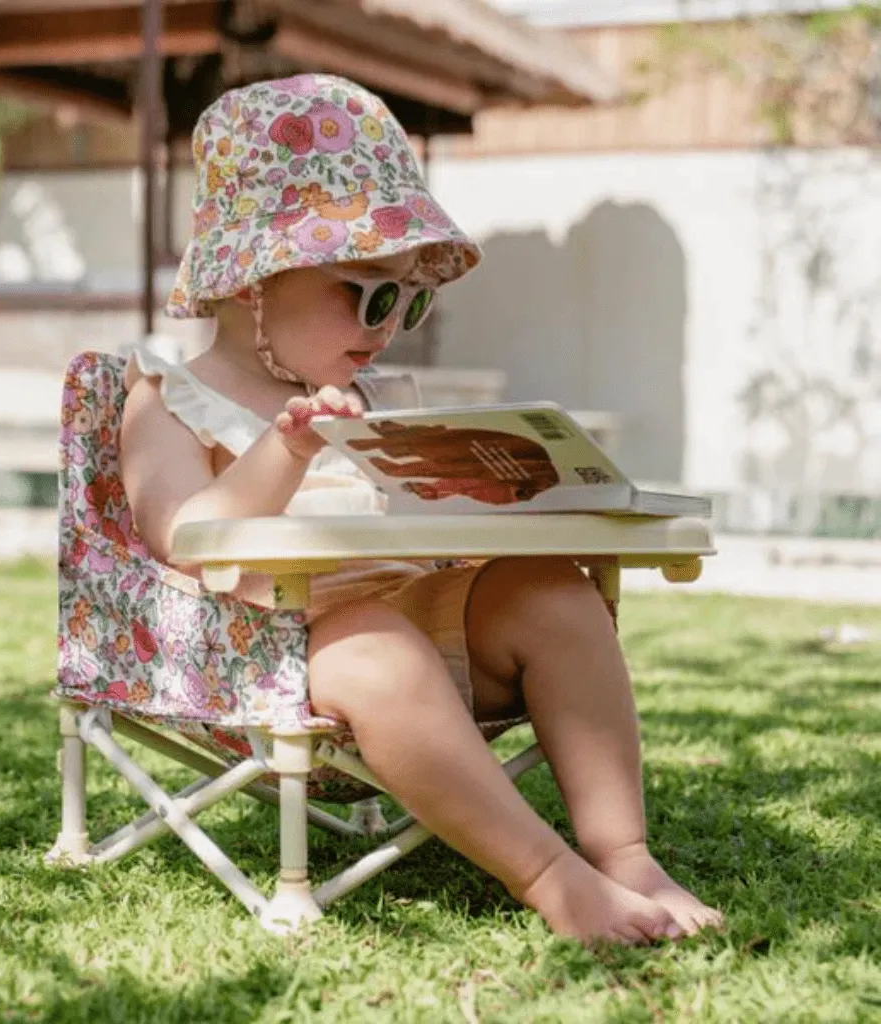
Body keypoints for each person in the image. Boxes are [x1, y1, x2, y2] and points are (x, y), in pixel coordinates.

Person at [118, 73, 723, 945]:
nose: (389, 322)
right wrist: (283, 453)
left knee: (551, 590)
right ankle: (551, 876)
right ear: (254, 279)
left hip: (424, 610)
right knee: (374, 645)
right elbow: (182, 535)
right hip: (276, 650)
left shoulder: (377, 390)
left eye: (410, 296)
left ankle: (623, 853)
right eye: (366, 292)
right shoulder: (169, 395)